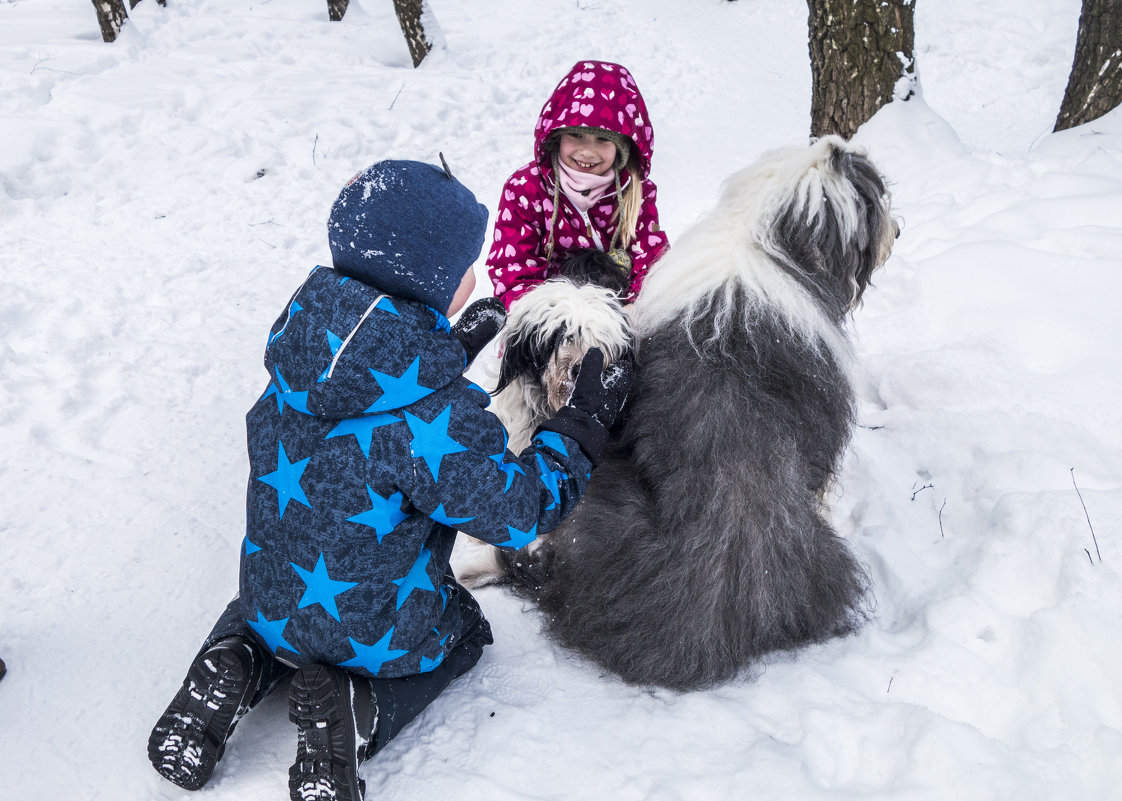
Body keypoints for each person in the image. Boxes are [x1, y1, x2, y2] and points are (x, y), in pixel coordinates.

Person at [147, 159, 632, 801]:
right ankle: (358, 709)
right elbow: (518, 511)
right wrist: (582, 425)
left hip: (268, 601)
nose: (477, 275)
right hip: (375, 633)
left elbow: (361, 399)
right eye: (468, 266)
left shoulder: (296, 353)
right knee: (465, 632)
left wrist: (448, 352)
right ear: (437, 281)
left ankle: (238, 658)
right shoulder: (436, 419)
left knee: (270, 607)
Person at [486, 60, 669, 309]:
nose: (587, 152)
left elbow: (652, 263)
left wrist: (633, 311)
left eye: (603, 139)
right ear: (557, 135)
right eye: (576, 135)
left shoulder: (636, 191)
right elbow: (512, 268)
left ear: (622, 146)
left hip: (618, 317)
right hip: (548, 319)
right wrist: (552, 319)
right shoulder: (525, 189)